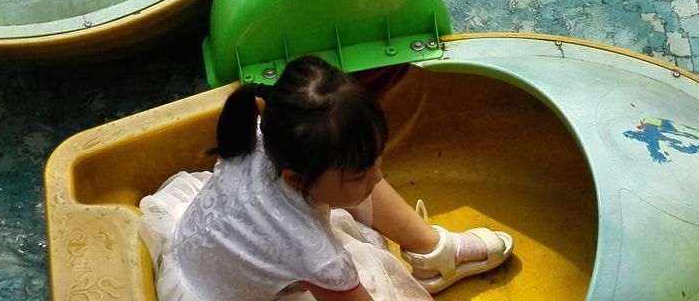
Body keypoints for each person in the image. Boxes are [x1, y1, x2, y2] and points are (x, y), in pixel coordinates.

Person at [137, 56, 515, 300]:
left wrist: (360, 174)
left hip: (202, 247)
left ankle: (432, 250)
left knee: (354, 176)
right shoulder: (312, 252)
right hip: (220, 291)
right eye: (362, 171)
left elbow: (352, 170)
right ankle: (433, 256)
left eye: (377, 158)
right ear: (295, 180)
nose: (379, 174)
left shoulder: (268, 134)